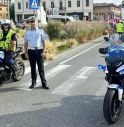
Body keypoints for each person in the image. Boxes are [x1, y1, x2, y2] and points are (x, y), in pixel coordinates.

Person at [24, 17, 49, 89]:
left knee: (41, 68)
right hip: (31, 51)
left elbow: (44, 42)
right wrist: (26, 53)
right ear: (29, 23)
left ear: (37, 22)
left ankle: (44, 83)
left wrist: (44, 51)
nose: (33, 23)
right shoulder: (27, 33)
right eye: (31, 22)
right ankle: (33, 83)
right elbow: (25, 43)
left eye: (34, 21)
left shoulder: (41, 31)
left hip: (39, 51)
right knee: (33, 68)